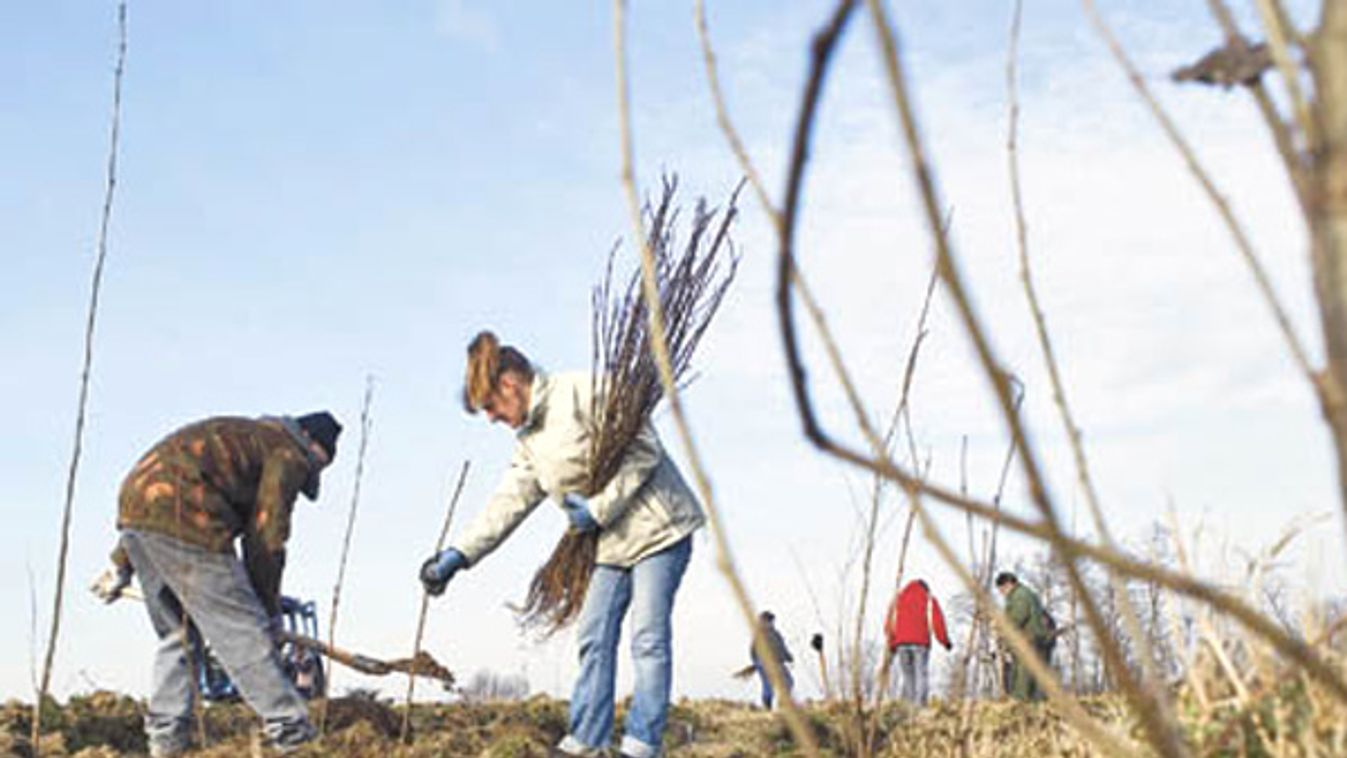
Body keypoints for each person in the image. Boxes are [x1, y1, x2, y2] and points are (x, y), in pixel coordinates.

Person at [419, 331, 704, 758]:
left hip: (660, 528)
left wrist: (599, 508)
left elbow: (644, 449)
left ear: (510, 385)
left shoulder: (585, 390)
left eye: (492, 407)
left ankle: (642, 744)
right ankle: (586, 741)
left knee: (647, 635)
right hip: (610, 545)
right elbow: (508, 502)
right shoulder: (530, 442)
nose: (493, 418)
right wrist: (459, 555)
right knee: (593, 633)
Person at [105, 412, 341, 757]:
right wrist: (268, 611)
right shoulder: (287, 452)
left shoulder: (246, 435)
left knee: (178, 634)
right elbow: (266, 537)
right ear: (305, 437)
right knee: (243, 633)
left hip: (137, 506)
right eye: (317, 462)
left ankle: (166, 743)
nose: (311, 471)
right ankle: (295, 737)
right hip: (189, 518)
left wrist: (121, 563)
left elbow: (160, 496)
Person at [883, 578, 951, 706]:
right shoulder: (929, 599)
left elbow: (889, 623)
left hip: (901, 644)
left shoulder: (898, 598)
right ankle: (920, 706)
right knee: (921, 674)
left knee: (908, 676)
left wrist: (891, 644)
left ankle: (909, 706)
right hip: (920, 643)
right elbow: (937, 622)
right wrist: (945, 641)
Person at [995, 571, 1053, 701]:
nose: (1002, 593)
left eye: (1002, 590)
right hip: (1034, 638)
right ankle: (1032, 701)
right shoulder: (1025, 594)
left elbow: (1017, 617)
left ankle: (1021, 701)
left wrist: (1001, 627)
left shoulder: (1020, 596)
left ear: (1009, 584)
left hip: (1029, 639)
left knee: (1023, 672)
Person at [749, 611, 794, 710]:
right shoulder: (759, 635)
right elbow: (753, 651)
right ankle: (768, 706)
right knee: (768, 685)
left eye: (772, 621)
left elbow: (781, 648)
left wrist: (788, 657)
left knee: (789, 682)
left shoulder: (776, 634)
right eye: (769, 621)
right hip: (765, 663)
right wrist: (758, 663)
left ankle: (783, 703)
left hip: (778, 663)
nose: (771, 623)